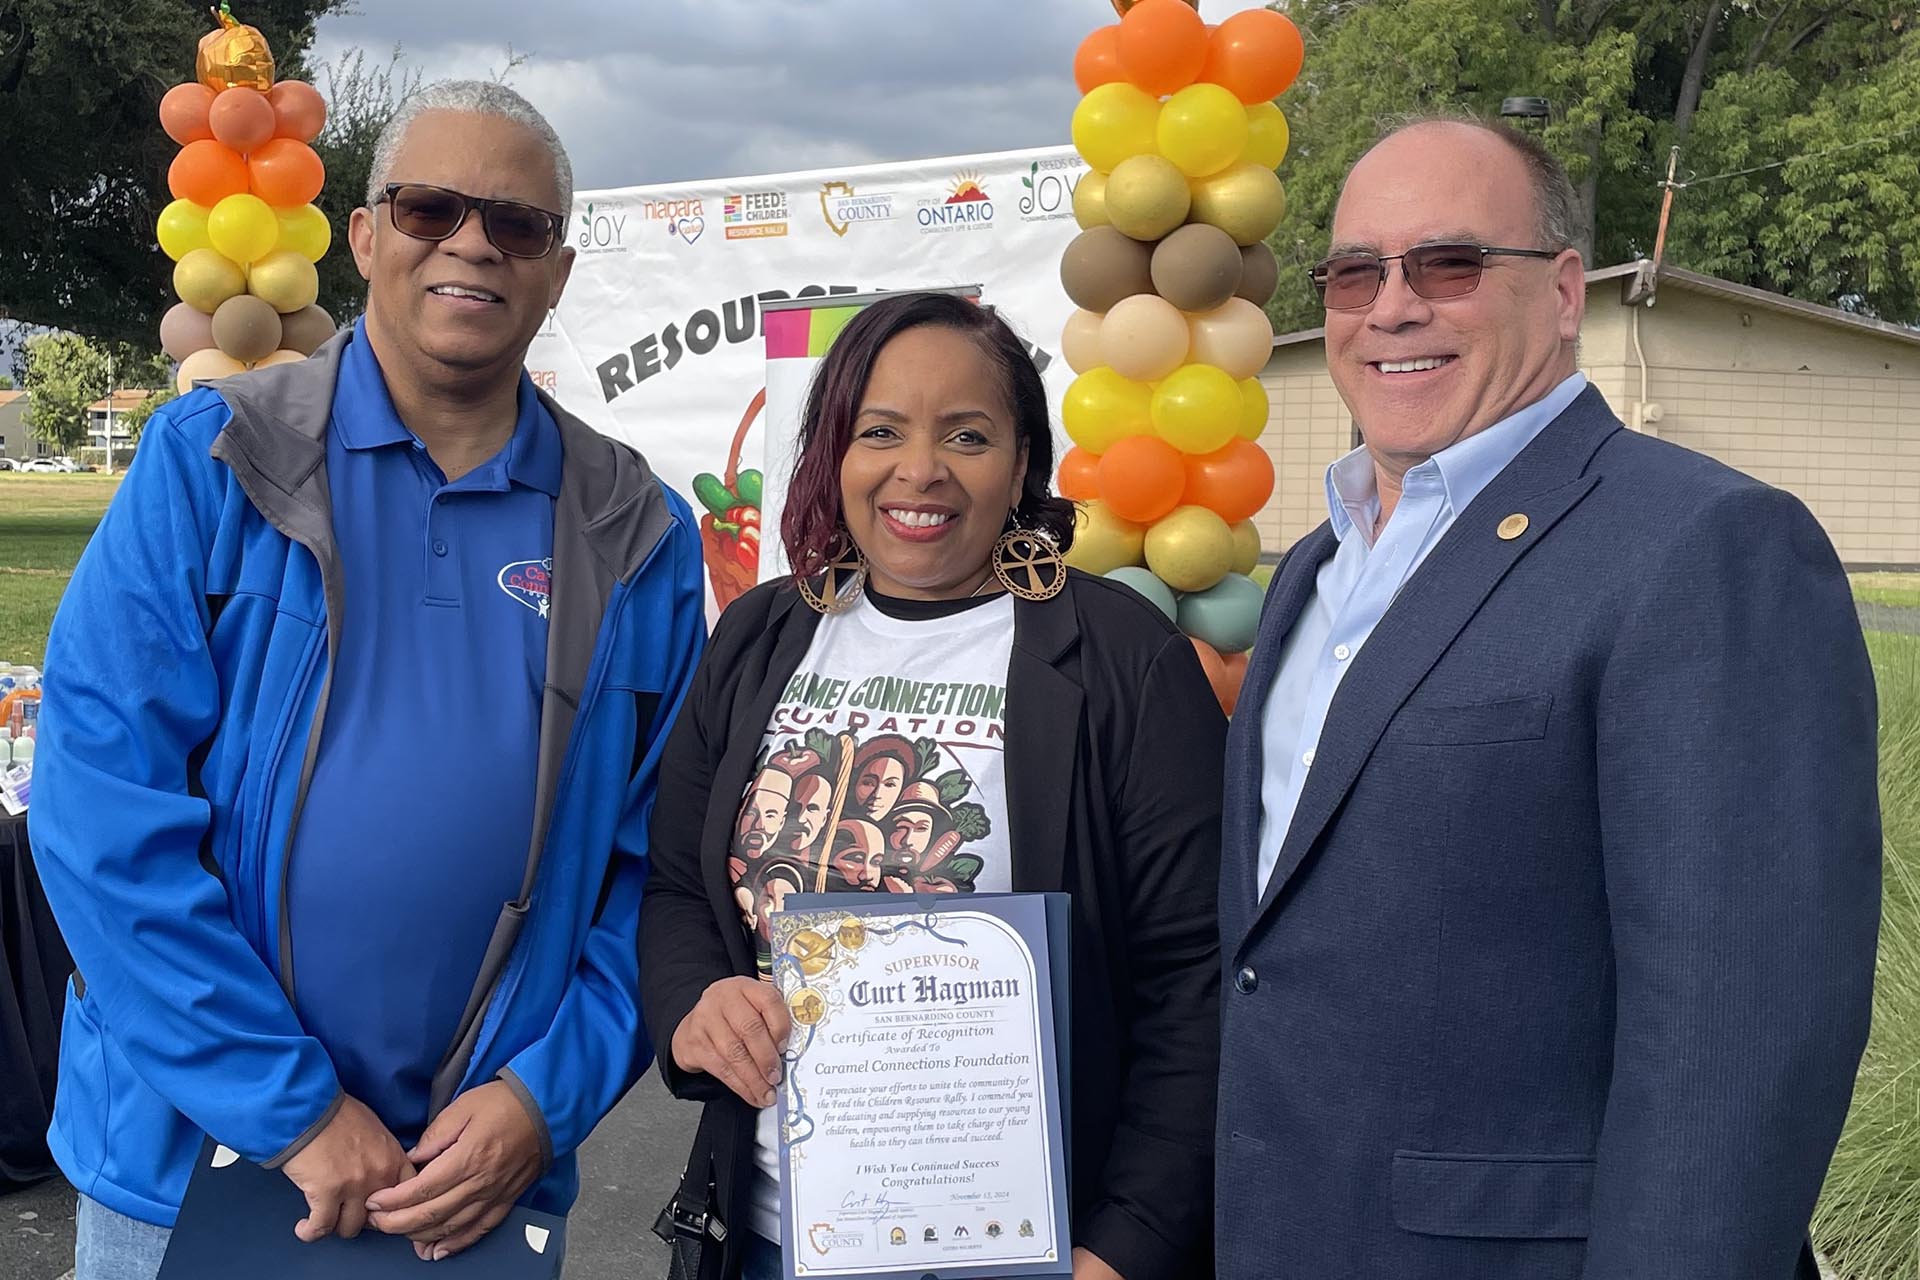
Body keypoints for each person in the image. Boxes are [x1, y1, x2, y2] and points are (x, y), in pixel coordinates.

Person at [29, 81, 704, 1278]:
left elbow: (655, 876)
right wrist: (288, 1106)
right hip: (185, 1176)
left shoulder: (634, 529)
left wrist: (543, 1099)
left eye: (517, 225)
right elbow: (101, 817)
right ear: (365, 234)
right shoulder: (213, 462)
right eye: (430, 206)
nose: (471, 245)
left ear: (554, 269)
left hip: (471, 1188)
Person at [1215, 117, 1881, 1280]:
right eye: (1357, 271)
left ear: (1566, 291)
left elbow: (1734, 1049)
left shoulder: (1702, 546)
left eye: (1450, 263)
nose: (1393, 306)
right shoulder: (1311, 571)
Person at [638, 292, 1224, 1280]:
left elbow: (1200, 979)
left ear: (1022, 460)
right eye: (881, 431)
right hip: (774, 1229)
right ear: (836, 451)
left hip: (1035, 1247)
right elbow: (677, 890)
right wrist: (695, 1000)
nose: (920, 469)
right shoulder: (761, 635)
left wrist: (1124, 1243)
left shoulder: (1125, 660)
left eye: (967, 433)